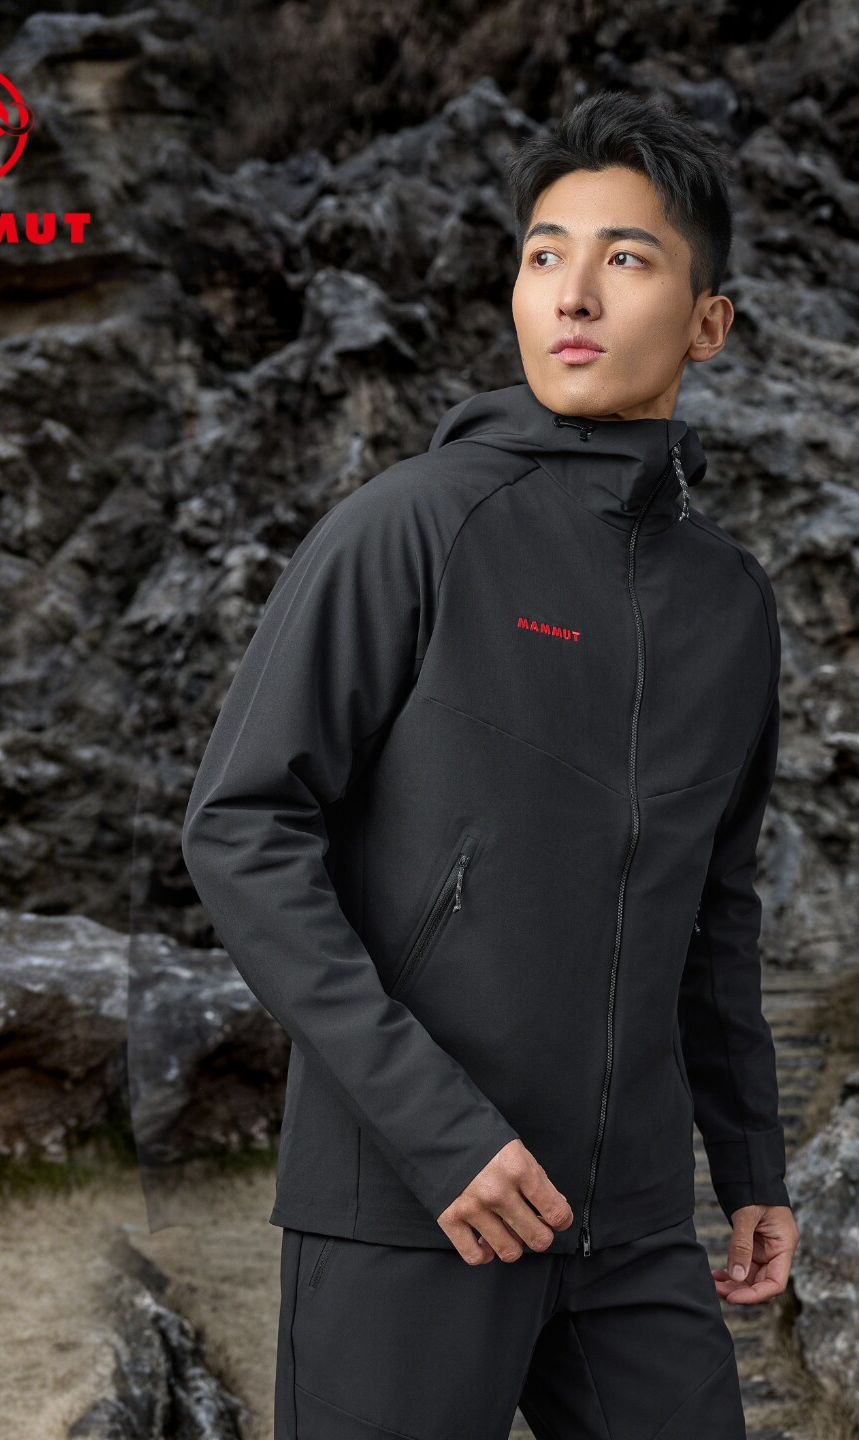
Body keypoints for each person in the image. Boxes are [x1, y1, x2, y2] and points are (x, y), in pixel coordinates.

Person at [181, 88, 799, 1440]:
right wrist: (436, 1130)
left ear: (708, 323)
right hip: (414, 1201)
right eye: (542, 255)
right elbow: (241, 828)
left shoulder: (730, 604)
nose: (572, 293)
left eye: (625, 258)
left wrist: (750, 1158)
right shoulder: (410, 528)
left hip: (630, 1224)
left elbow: (714, 904)